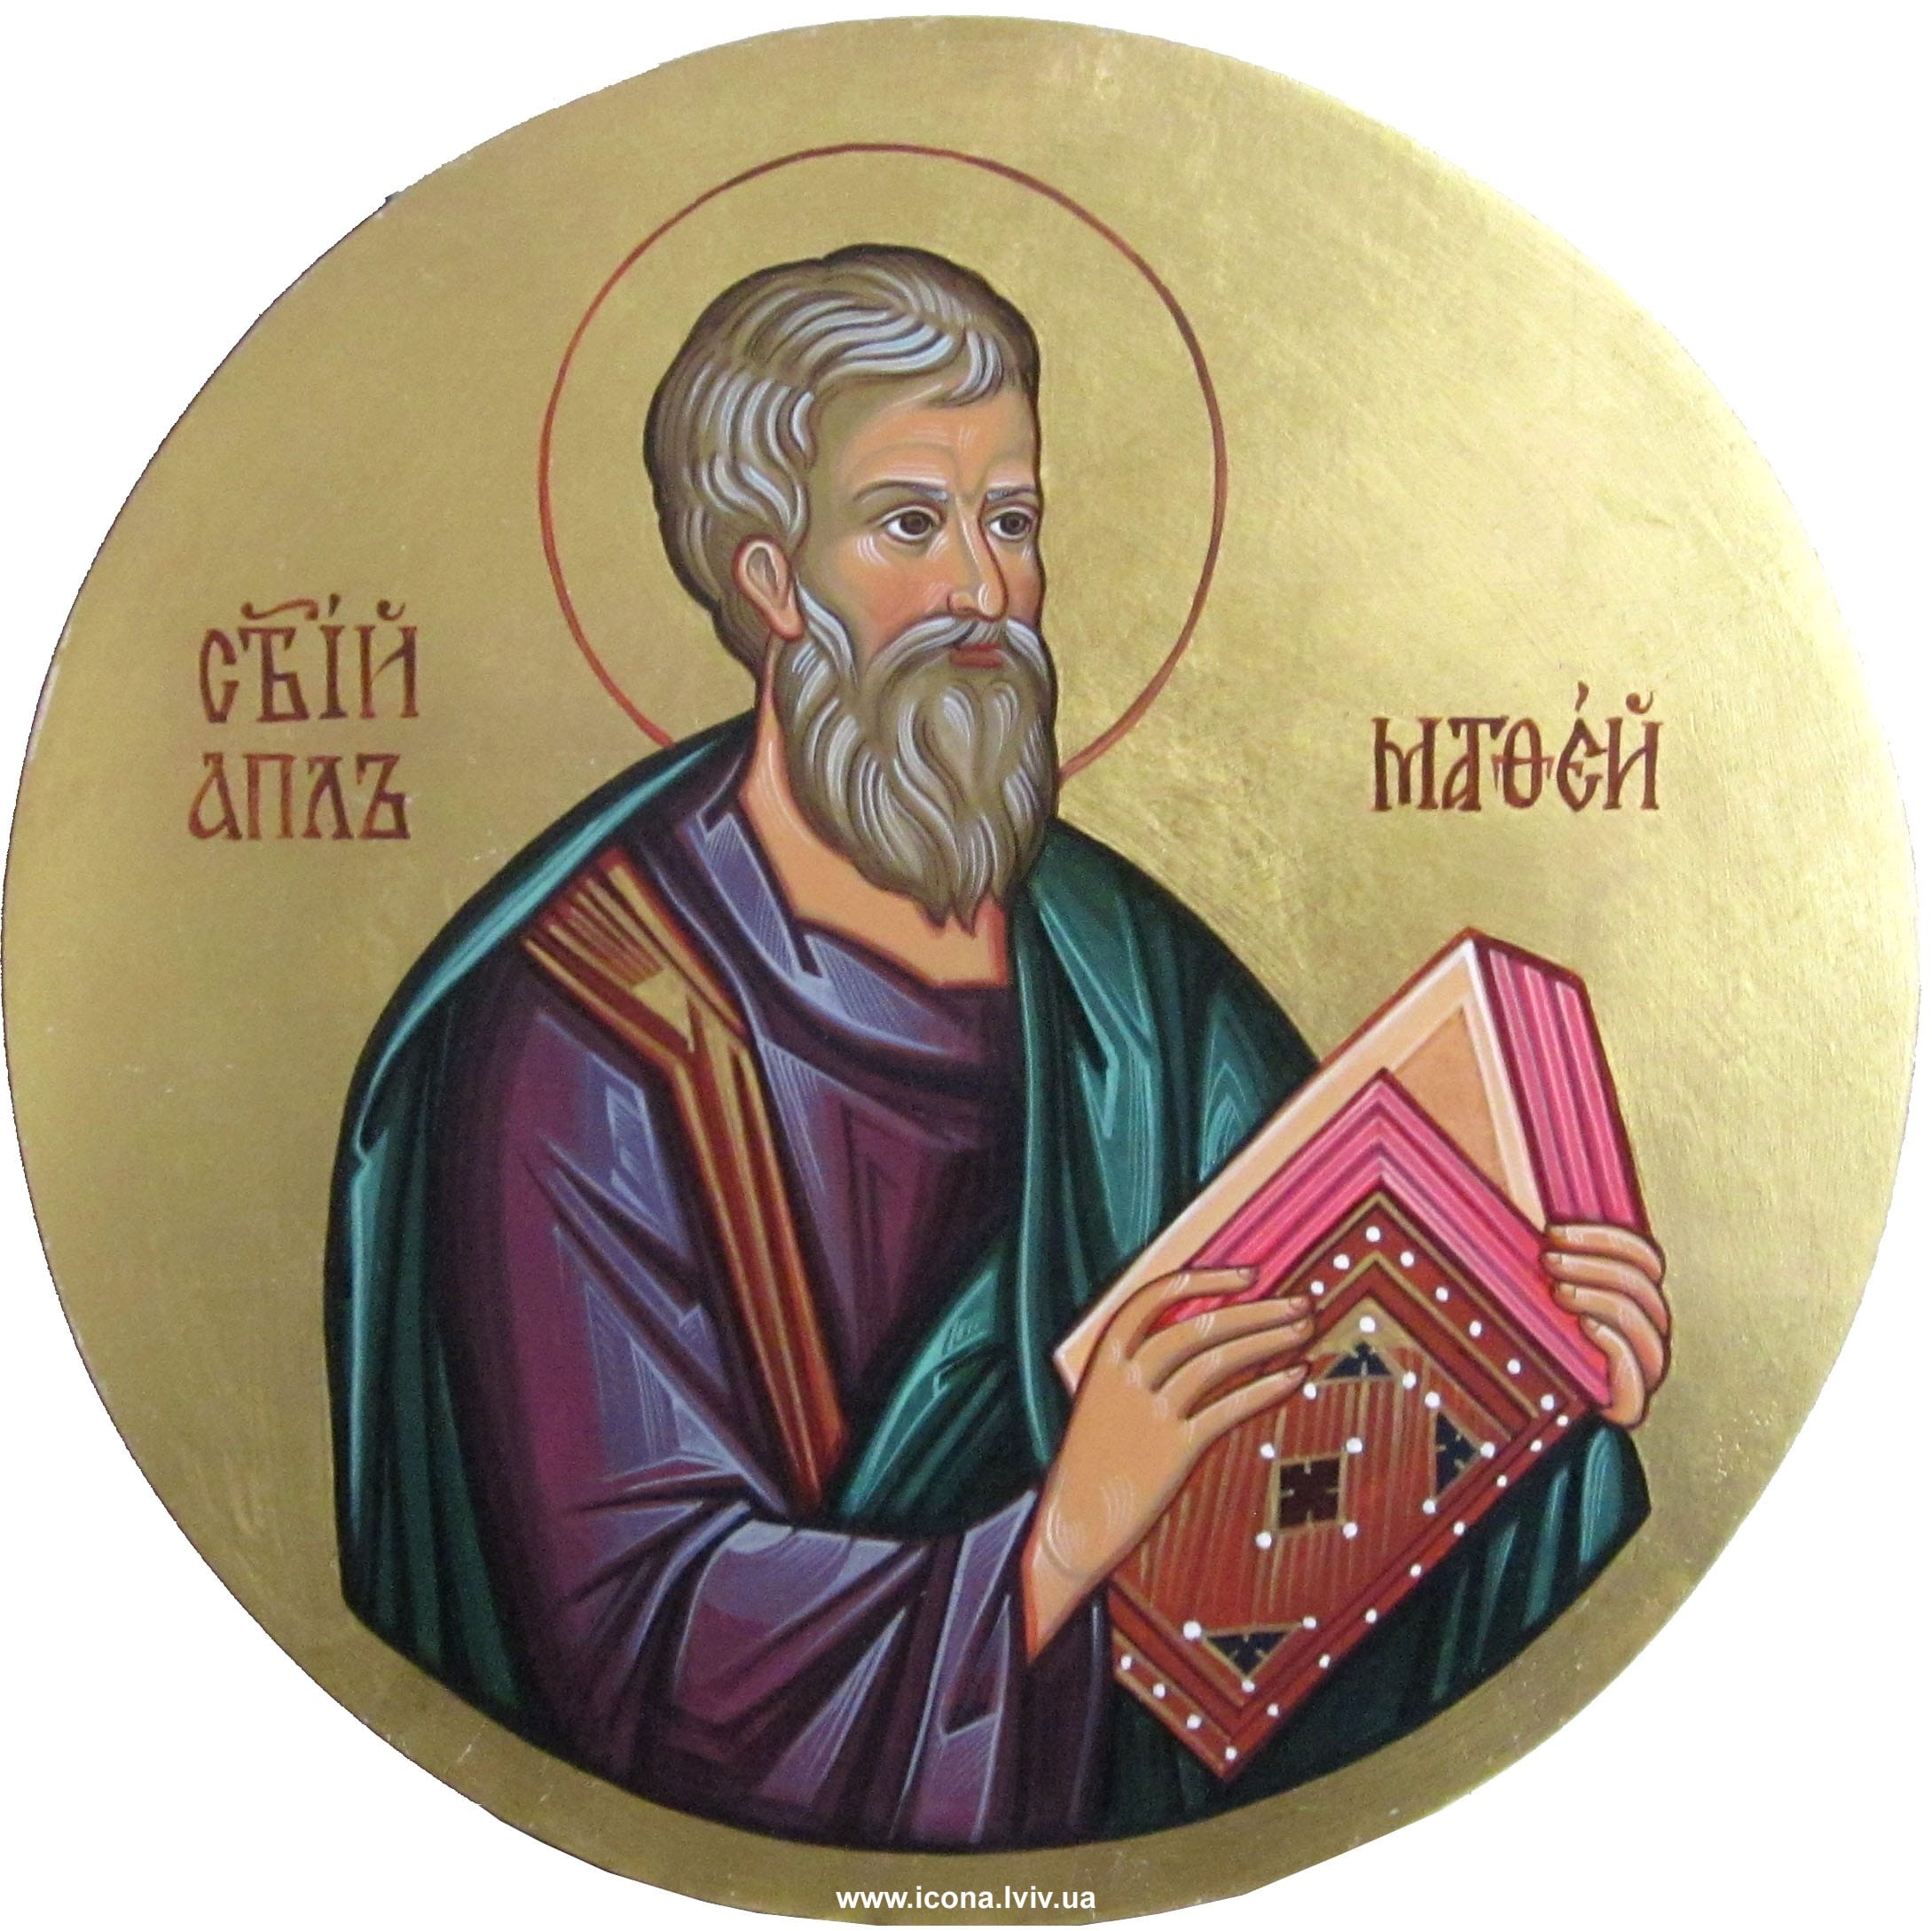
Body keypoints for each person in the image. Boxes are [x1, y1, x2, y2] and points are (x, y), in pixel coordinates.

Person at [326, 245, 1671, 1849]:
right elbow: (631, 1646)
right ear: (770, 581)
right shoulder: (585, 1029)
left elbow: (1317, 1461)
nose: (984, 589)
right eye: (910, 523)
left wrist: (1530, 1393)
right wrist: (1062, 1537)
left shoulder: (1119, 972)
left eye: (1011, 521)